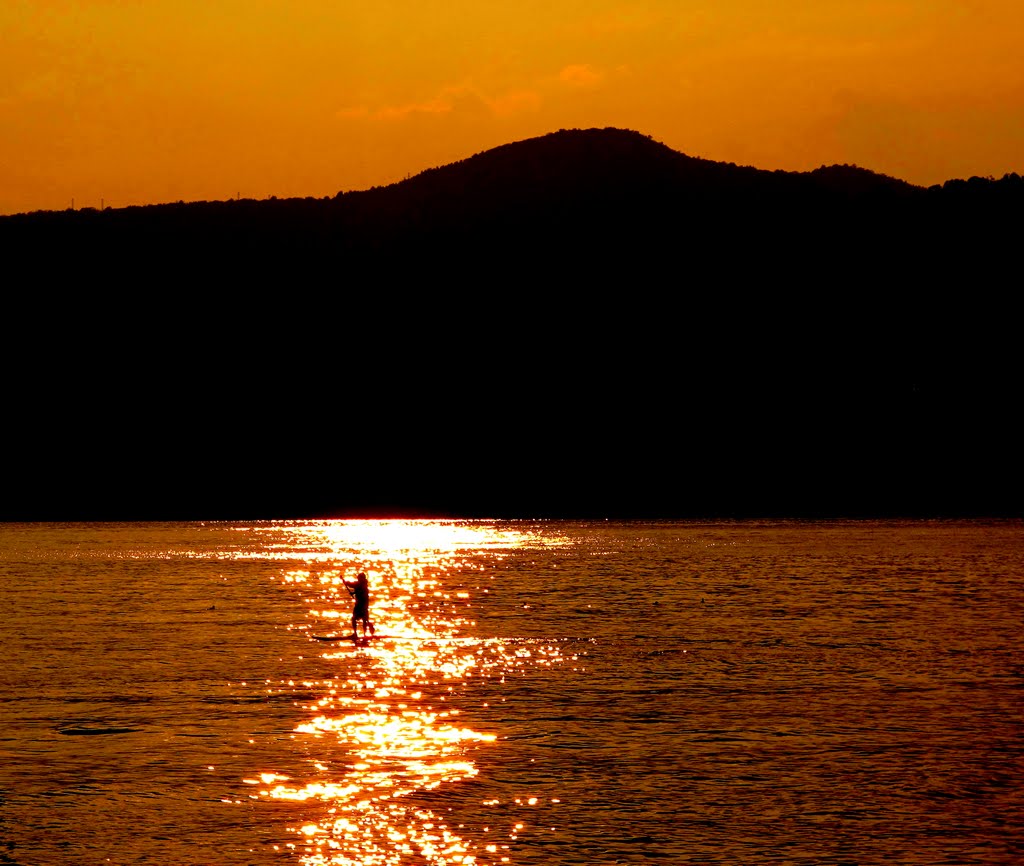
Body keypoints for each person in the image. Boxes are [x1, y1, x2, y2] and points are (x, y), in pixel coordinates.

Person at [344, 572, 374, 639]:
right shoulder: (359, 584)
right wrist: (345, 582)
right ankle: (356, 634)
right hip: (359, 605)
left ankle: (364, 634)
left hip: (363, 605)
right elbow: (353, 585)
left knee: (363, 620)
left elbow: (358, 589)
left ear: (362, 579)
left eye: (359, 578)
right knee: (355, 618)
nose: (358, 579)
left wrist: (353, 592)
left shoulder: (363, 585)